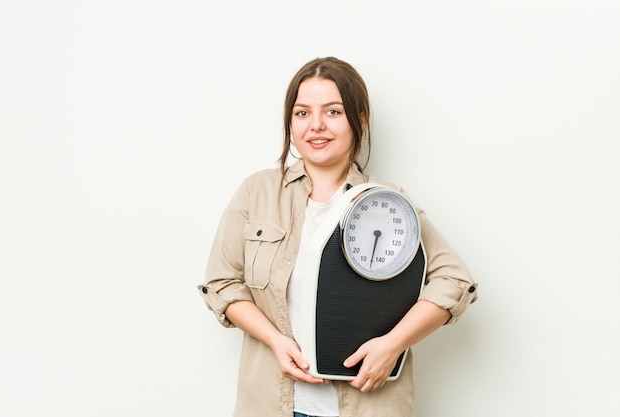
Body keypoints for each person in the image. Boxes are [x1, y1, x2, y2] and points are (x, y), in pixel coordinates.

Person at [198, 56, 478, 417]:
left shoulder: (388, 203)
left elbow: (454, 280)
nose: (316, 126)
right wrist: (275, 340)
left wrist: (393, 345)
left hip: (369, 405)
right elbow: (222, 282)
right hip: (271, 403)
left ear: (359, 120)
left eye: (333, 112)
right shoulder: (258, 192)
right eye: (302, 113)